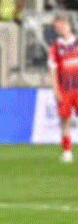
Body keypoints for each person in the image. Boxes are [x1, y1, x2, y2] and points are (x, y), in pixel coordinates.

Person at [50, 14, 78, 162]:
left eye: (62, 25)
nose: (60, 28)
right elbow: (53, 70)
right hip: (65, 89)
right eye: (57, 27)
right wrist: (56, 90)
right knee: (65, 121)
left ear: (68, 24)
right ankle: (67, 152)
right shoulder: (55, 48)